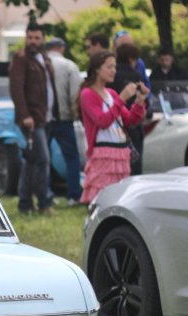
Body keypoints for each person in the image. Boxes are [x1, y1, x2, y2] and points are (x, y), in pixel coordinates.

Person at [78, 51, 147, 204]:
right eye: (109, 67)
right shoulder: (87, 94)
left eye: (114, 67)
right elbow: (102, 121)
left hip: (121, 152)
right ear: (97, 69)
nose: (114, 71)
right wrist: (122, 98)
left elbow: (130, 120)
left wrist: (139, 101)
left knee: (119, 199)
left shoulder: (111, 93)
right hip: (103, 153)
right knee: (101, 199)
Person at [9, 22, 59, 215]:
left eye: (37, 38)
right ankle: (45, 202)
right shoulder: (21, 58)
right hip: (32, 119)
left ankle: (25, 203)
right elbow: (16, 89)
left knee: (31, 161)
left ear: (43, 39)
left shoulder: (44, 59)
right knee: (43, 160)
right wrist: (24, 115)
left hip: (46, 118)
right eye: (30, 37)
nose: (33, 41)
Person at [45, 37, 83, 205]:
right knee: (72, 157)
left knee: (43, 158)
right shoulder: (69, 65)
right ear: (61, 48)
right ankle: (73, 195)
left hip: (44, 119)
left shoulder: (41, 64)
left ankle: (46, 194)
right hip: (64, 118)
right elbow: (75, 93)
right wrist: (75, 114)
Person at [109, 43, 146, 175]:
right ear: (131, 59)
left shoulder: (110, 77)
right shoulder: (137, 77)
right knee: (134, 165)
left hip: (114, 125)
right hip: (132, 125)